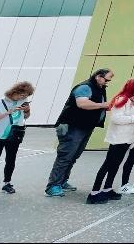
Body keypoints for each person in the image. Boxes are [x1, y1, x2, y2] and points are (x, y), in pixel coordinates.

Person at [46, 68, 113, 197]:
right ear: (98, 76)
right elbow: (82, 104)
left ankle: (62, 181)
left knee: (74, 156)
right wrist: (104, 105)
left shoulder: (99, 88)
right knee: (65, 156)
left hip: (85, 127)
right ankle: (53, 185)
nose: (107, 82)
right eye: (106, 79)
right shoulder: (85, 87)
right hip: (73, 126)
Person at [88, 78, 134, 204]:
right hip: (118, 139)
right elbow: (116, 119)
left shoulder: (130, 100)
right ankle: (94, 193)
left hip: (125, 139)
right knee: (108, 165)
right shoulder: (122, 99)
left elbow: (126, 116)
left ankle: (107, 189)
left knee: (115, 165)